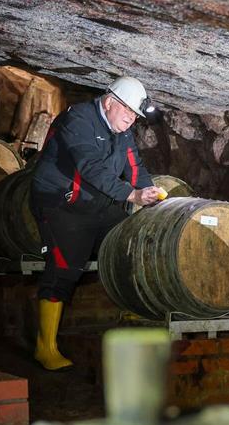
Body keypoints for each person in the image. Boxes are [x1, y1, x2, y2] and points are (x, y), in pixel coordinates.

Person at [30, 77, 166, 370]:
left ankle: (130, 315)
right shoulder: (78, 119)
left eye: (135, 116)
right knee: (65, 266)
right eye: (127, 112)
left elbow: (134, 165)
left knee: (128, 244)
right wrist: (131, 194)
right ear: (109, 102)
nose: (131, 120)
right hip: (59, 201)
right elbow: (89, 166)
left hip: (94, 202)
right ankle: (46, 346)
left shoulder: (123, 131)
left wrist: (150, 192)